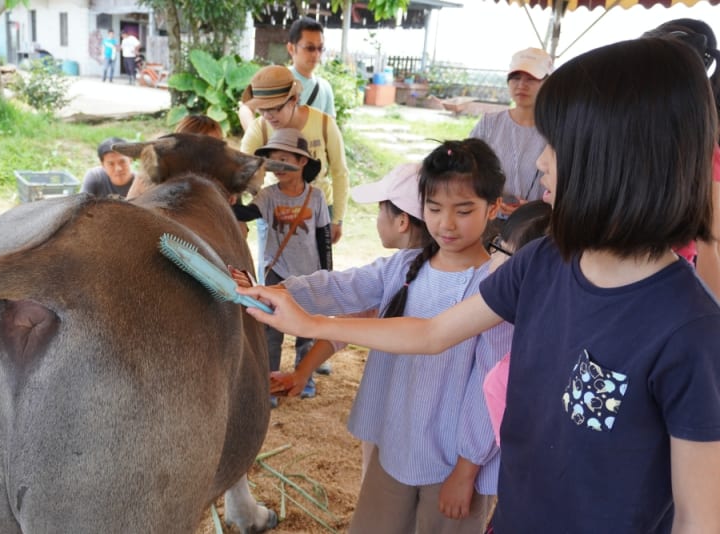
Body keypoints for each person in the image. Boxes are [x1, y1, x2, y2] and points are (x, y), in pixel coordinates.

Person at [239, 37, 720, 532]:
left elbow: (699, 520)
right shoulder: (542, 264)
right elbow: (430, 333)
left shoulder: (691, 331)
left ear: (618, 159)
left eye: (555, 145)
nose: (539, 163)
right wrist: (310, 319)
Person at [258, 140, 512, 532]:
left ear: (493, 208)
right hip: (395, 441)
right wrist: (276, 292)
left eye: (464, 211)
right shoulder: (406, 265)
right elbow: (342, 288)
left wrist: (467, 469)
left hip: (453, 461)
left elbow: (489, 386)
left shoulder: (495, 285)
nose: (446, 224)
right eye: (434, 209)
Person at [267, 162, 431, 402]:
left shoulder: (391, 273)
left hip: (401, 403)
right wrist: (301, 372)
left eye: (379, 209)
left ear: (402, 221)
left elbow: (337, 289)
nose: (377, 218)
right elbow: (347, 324)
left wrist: (272, 292)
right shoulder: (404, 270)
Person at [240, 65, 349, 378]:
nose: (269, 116)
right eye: (263, 110)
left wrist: (337, 217)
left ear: (294, 99)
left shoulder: (324, 124)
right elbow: (245, 172)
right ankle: (272, 366)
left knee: (312, 298)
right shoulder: (259, 130)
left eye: (276, 108)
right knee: (274, 296)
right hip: (273, 209)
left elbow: (340, 172)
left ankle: (312, 358)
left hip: (316, 205)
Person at [232, 128, 332, 409]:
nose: (278, 168)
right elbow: (245, 214)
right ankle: (271, 385)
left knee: (307, 332)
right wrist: (234, 192)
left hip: (310, 274)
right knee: (271, 332)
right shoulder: (267, 196)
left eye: (284, 160)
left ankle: (305, 380)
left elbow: (324, 237)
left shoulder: (316, 197)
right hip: (276, 275)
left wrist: (328, 275)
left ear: (302, 162)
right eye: (273, 162)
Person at [643, 18, 720, 299]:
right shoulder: (625, 131)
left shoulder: (702, 149)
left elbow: (709, 241)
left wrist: (710, 321)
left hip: (665, 287)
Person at [481, 200, 552, 446]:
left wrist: (465, 466)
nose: (495, 256)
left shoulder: (507, 336)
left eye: (504, 250)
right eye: (498, 244)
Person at [470, 47, 552, 239]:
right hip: (488, 223)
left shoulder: (557, 129)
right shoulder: (490, 123)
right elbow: (468, 168)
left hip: (539, 228)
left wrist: (534, 209)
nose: (521, 85)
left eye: (531, 78)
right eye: (515, 77)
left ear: (548, 83)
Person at [238, 17, 336, 131]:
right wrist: (256, 136)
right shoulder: (275, 78)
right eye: (310, 48)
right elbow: (245, 108)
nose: (316, 54)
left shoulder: (325, 87)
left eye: (320, 48)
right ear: (291, 48)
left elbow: (330, 128)